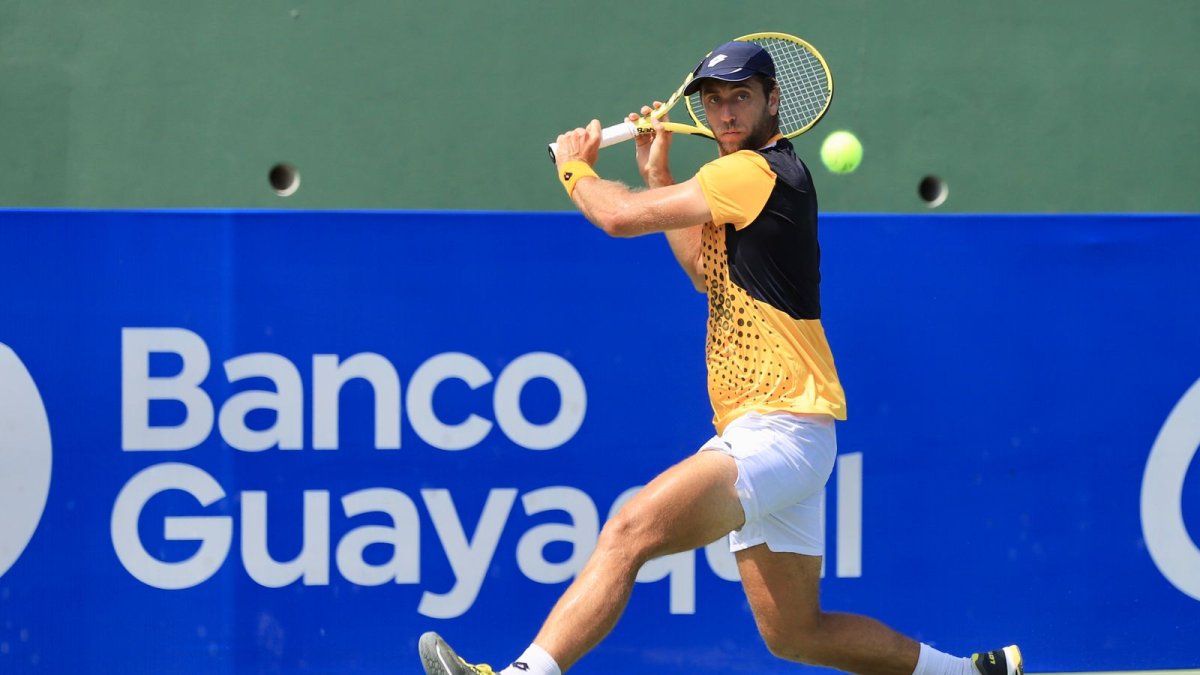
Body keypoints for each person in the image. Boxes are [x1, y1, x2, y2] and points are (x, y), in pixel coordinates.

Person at [419, 40, 1022, 675]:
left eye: (740, 97)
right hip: (784, 434)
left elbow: (619, 219)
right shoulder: (744, 183)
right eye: (713, 101)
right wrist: (657, 176)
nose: (726, 113)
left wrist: (576, 168)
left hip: (779, 429)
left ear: (773, 101)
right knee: (795, 632)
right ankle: (968, 674)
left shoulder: (751, 173)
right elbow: (705, 274)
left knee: (631, 530)